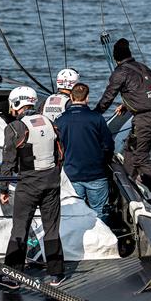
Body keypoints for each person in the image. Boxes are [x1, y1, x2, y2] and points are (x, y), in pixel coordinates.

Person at [0, 86, 65, 289]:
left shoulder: (14, 128)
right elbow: (60, 154)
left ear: (17, 103)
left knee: (20, 228)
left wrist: (3, 189)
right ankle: (56, 274)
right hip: (51, 183)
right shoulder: (50, 122)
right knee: (51, 228)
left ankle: (13, 275)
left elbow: (8, 162)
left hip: (28, 185)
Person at [94, 38, 151, 204]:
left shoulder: (121, 72)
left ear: (115, 58)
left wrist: (93, 115)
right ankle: (127, 186)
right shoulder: (144, 68)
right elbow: (142, 93)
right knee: (130, 149)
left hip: (146, 118)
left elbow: (108, 96)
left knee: (140, 156)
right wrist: (127, 105)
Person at [56, 83, 114, 223]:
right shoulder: (96, 118)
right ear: (87, 98)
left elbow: (57, 148)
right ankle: (102, 239)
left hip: (72, 174)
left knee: (75, 213)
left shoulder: (60, 120)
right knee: (100, 211)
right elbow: (108, 145)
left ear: (71, 97)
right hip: (96, 173)